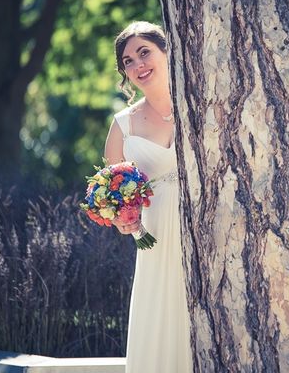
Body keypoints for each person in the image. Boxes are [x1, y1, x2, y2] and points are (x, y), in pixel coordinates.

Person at [104, 21, 191, 372]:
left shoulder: (200, 99)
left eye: (144, 53)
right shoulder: (123, 125)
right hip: (154, 234)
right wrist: (122, 220)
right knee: (161, 314)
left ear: (166, 51)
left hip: (206, 222)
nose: (138, 64)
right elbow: (110, 193)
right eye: (128, 61)